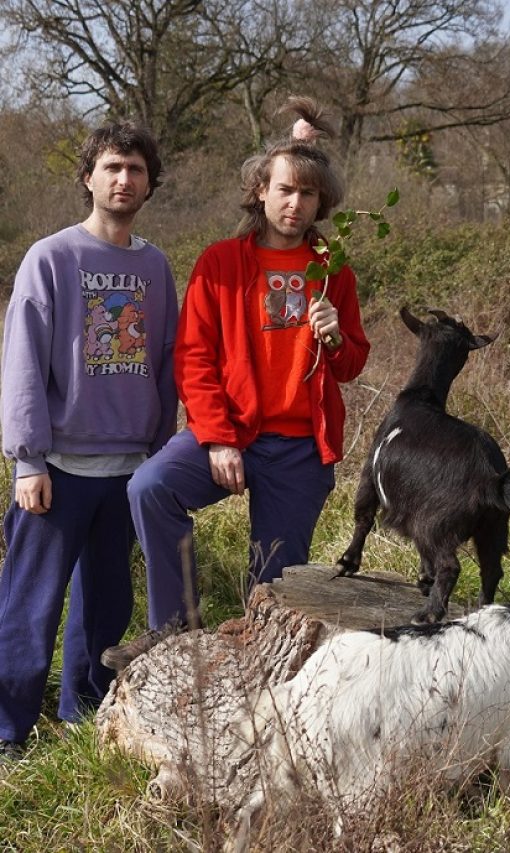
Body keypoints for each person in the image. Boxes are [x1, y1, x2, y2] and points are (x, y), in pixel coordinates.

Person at [106, 96, 370, 659]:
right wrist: (219, 436)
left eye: (307, 193)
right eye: (284, 190)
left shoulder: (331, 268)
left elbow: (350, 365)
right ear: (260, 191)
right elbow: (194, 358)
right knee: (151, 487)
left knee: (272, 592)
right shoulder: (221, 263)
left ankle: (253, 676)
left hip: (301, 448)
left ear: (322, 201)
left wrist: (335, 336)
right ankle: (176, 629)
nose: (294, 204)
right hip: (232, 431)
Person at [0, 122, 178, 761]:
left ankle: (83, 716)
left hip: (129, 469)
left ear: (149, 182)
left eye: (135, 168)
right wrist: (27, 459)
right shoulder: (52, 258)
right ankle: (7, 729)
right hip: (57, 468)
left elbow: (164, 360)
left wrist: (161, 452)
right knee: (30, 605)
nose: (123, 179)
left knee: (106, 608)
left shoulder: (155, 267)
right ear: (88, 177)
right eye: (111, 167)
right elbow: (21, 361)